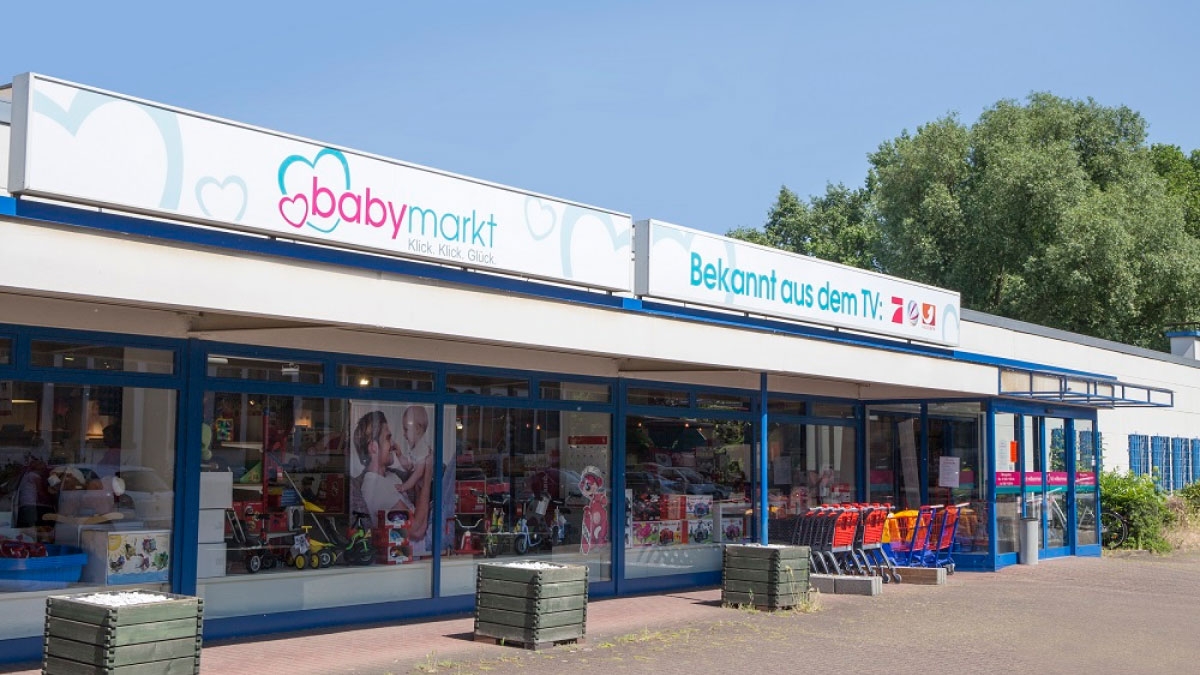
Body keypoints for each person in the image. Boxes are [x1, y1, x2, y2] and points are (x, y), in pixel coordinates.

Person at [349, 410, 430, 542]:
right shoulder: (376, 488)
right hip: (411, 551)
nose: (393, 444)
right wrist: (427, 476)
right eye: (388, 438)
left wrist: (419, 475)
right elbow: (417, 531)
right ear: (373, 447)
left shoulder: (391, 476)